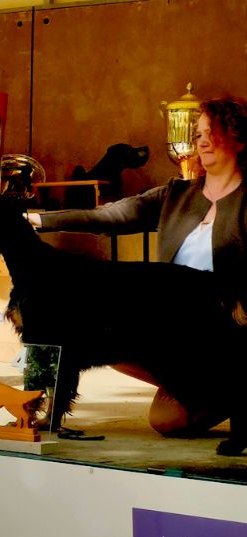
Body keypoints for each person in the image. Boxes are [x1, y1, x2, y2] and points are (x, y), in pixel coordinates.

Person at [27, 95, 247, 437]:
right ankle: (205, 387)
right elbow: (110, 215)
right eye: (199, 133)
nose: (201, 141)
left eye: (212, 132)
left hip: (223, 328)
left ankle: (231, 385)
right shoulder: (177, 193)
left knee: (166, 422)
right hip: (171, 327)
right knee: (99, 333)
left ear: (239, 139)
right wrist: (37, 220)